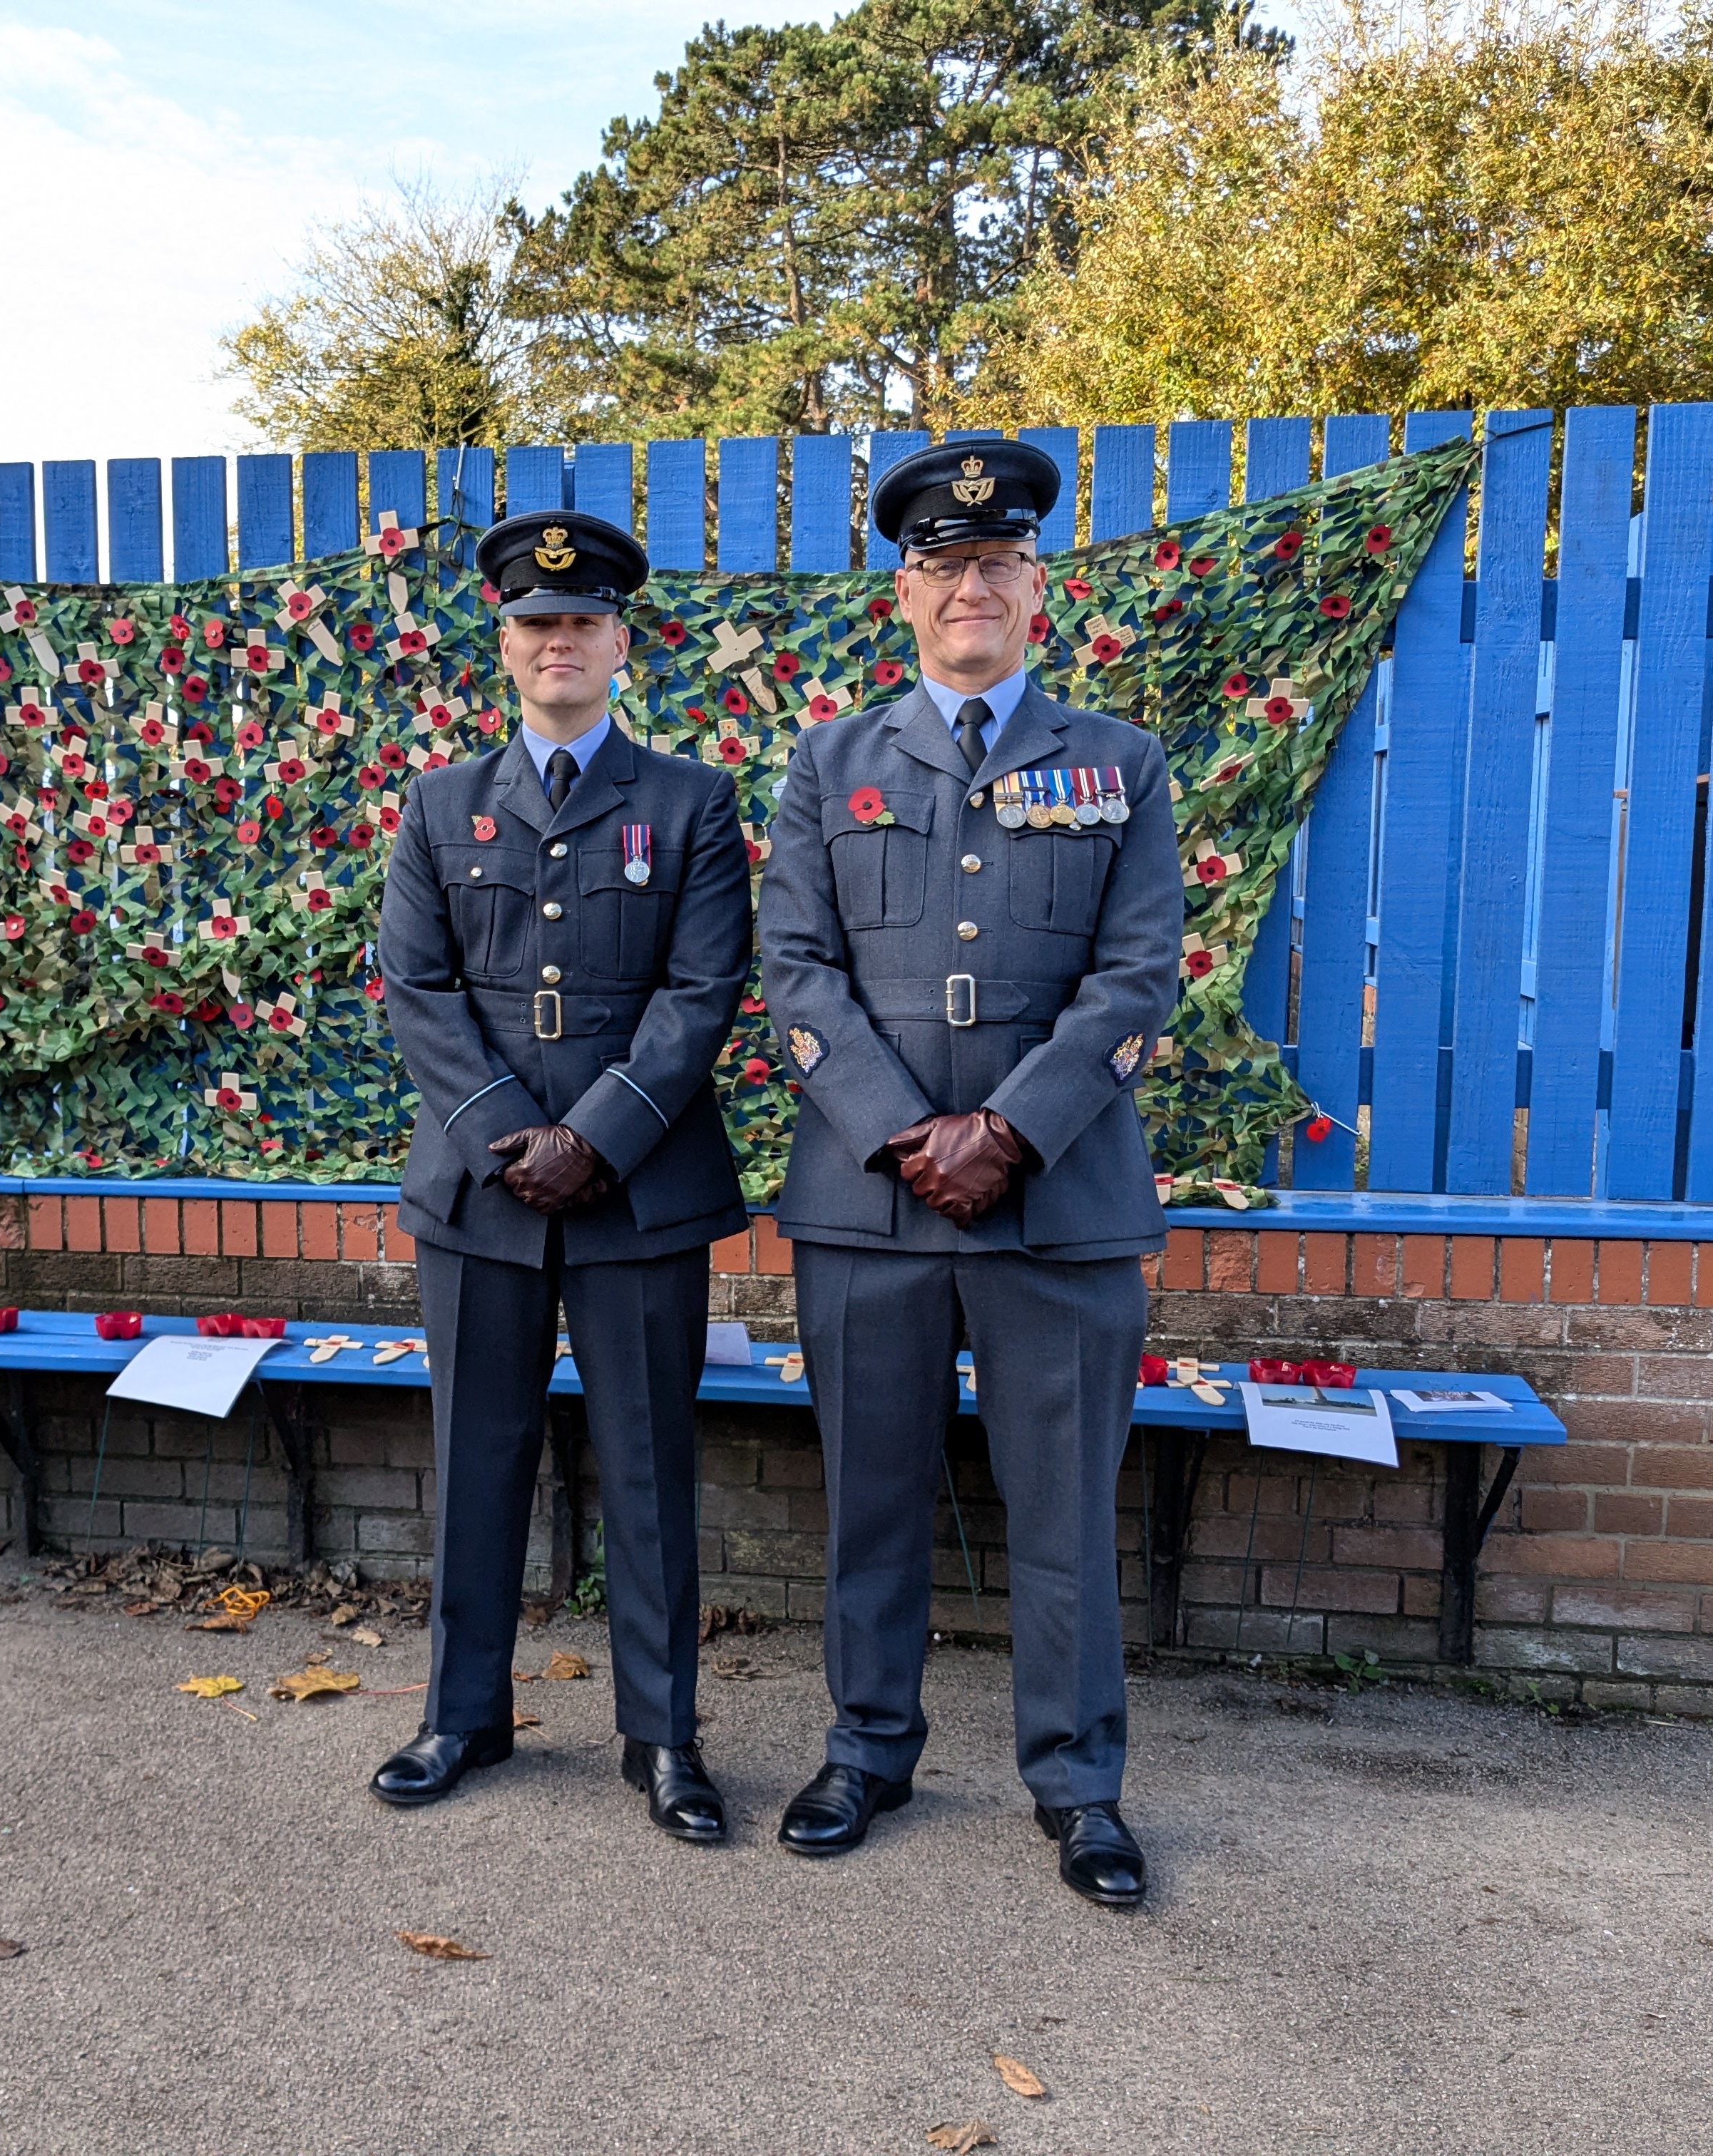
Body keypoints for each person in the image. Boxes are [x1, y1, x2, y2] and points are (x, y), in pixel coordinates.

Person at [757, 438, 1182, 1904]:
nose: (970, 589)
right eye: (944, 567)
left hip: (1058, 1201)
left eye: (996, 563)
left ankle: (1081, 1787)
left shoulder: (1120, 764)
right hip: (867, 1206)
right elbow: (796, 971)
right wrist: (900, 1129)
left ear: (1036, 587)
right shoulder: (833, 761)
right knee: (872, 1499)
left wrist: (1008, 1131)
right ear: (905, 594)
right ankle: (867, 1750)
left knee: (1064, 1512)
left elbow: (1137, 979)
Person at [370, 508, 755, 1841]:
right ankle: (461, 1718)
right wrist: (502, 1133)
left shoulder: (693, 804)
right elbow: (416, 988)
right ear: (506, 642)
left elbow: (702, 990)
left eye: (582, 622)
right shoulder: (440, 803)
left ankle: (664, 1740)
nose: (559, 643)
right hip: (479, 1196)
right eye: (536, 625)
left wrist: (593, 1135)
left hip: (638, 1191)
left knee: (649, 1470)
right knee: (477, 1460)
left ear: (619, 640)